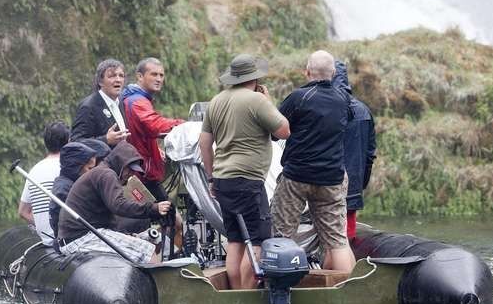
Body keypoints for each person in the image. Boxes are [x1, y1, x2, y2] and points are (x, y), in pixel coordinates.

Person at [199, 54, 290, 289]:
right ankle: (246, 296)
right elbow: (284, 131)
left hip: (222, 180)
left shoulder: (216, 101)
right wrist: (268, 102)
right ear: (255, 77)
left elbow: (204, 143)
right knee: (257, 242)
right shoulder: (257, 101)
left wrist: (211, 177)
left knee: (236, 241)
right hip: (248, 181)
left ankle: (234, 296)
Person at [270, 50, 356, 272]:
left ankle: (280, 292)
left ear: (307, 72)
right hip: (332, 178)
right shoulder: (344, 99)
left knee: (282, 235)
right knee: (337, 240)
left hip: (297, 177)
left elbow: (275, 131)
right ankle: (347, 288)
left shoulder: (298, 98)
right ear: (334, 73)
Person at [57, 141, 171, 264]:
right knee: (149, 251)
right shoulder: (106, 174)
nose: (131, 175)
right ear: (120, 163)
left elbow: (109, 218)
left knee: (152, 239)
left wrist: (127, 235)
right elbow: (118, 205)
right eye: (130, 170)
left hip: (82, 235)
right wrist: (153, 208)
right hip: (81, 238)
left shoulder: (102, 173)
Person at [122, 57, 184, 202]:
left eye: (161, 75)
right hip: (141, 173)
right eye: (154, 74)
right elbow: (155, 125)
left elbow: (142, 131)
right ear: (140, 76)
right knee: (169, 218)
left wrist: (156, 148)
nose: (159, 79)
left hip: (140, 168)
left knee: (167, 217)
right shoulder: (137, 101)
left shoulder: (134, 98)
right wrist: (185, 125)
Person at [331, 61, 376, 242]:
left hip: (327, 183)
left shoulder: (324, 108)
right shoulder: (364, 111)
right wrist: (360, 183)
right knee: (346, 237)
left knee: (329, 236)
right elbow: (370, 153)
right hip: (353, 185)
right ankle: (348, 266)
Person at [17, 121, 70, 245]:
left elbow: (23, 212)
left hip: (46, 240)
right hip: (67, 239)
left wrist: (43, 226)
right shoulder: (69, 167)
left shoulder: (34, 170)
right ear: (69, 141)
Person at [71, 59, 130, 147]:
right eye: (112, 76)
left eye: (121, 76)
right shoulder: (88, 106)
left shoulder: (120, 102)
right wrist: (105, 140)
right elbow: (76, 142)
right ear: (100, 81)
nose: (118, 80)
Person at [48, 141, 97, 242]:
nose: (93, 173)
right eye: (90, 168)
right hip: (72, 243)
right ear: (76, 167)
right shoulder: (63, 190)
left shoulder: (73, 184)